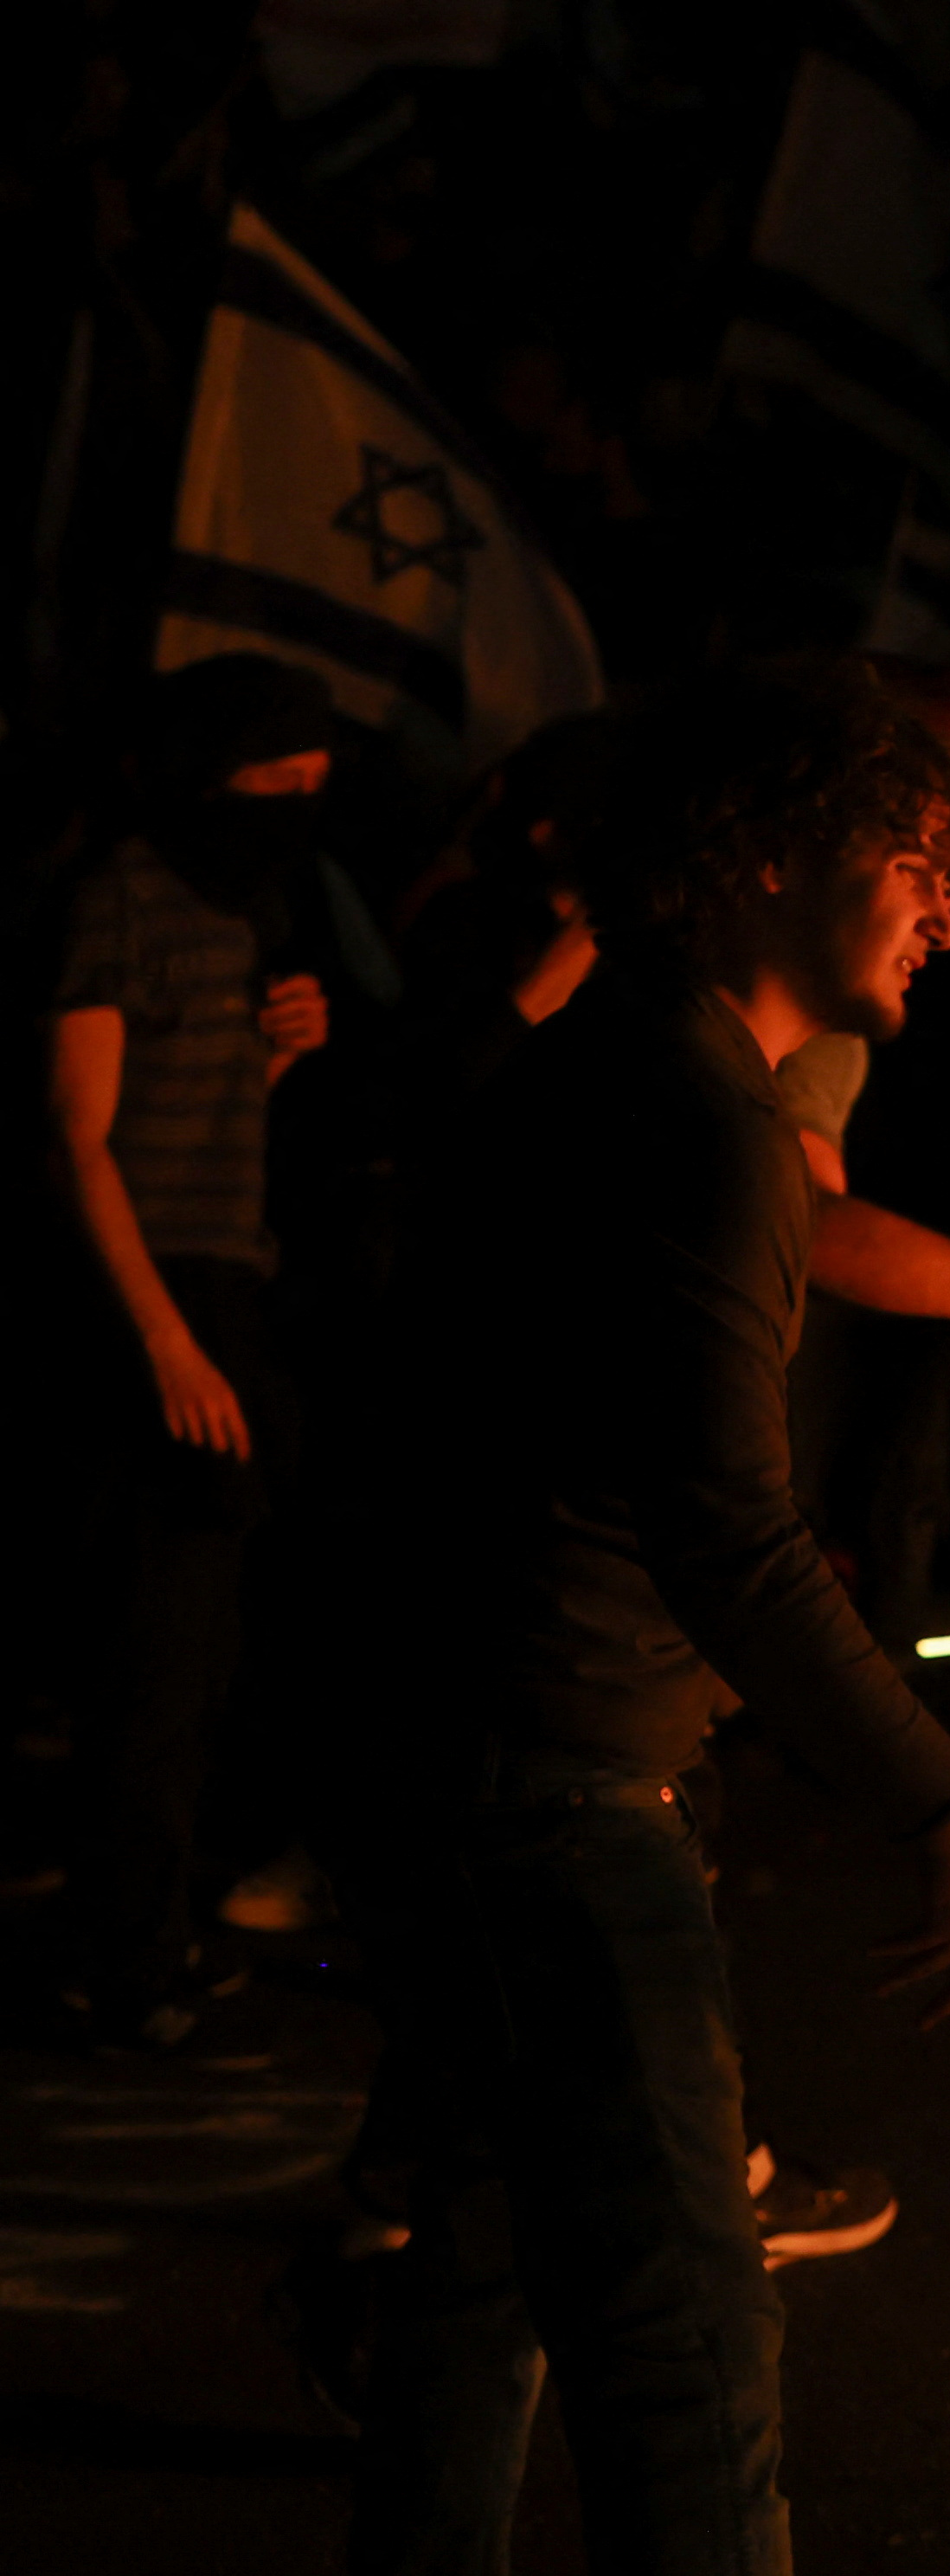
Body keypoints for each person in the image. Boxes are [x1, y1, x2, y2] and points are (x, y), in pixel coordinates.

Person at [333, 659, 950, 2576]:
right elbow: (729, 1528)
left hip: (453, 1749)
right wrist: (936, 1785)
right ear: (769, 846)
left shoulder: (619, 1071)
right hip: (559, 1779)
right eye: (916, 860)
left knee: (474, 2224)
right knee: (679, 2325)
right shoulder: (704, 1122)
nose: (948, 912)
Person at [38, 654, 350, 2063]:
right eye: (270, 782)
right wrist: (161, 1338)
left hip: (222, 1288)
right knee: (152, 1650)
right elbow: (76, 1135)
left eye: (313, 788)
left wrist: (283, 1050)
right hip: (141, 1308)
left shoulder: (249, 905)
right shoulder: (116, 896)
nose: (294, 808)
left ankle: (145, 1931)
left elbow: (202, 1117)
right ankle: (114, 1960)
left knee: (204, 1644)